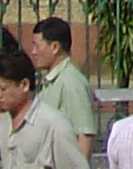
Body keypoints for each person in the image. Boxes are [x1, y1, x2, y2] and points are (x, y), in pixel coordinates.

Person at [24, 18, 100, 158]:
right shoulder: (53, 81)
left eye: (37, 46)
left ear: (55, 47)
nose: (33, 52)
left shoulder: (71, 83)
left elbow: (84, 136)